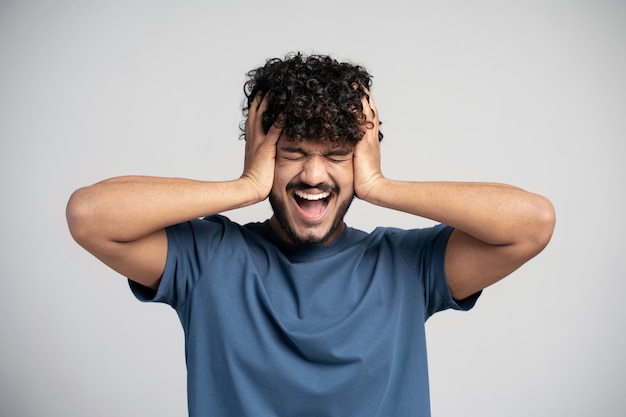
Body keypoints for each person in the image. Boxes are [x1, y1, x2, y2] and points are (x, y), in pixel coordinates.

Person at [66, 53, 555, 417]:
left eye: (337, 155)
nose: (314, 175)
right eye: (293, 152)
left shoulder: (407, 266)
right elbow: (90, 215)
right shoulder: (207, 258)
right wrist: (244, 188)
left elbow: (532, 223)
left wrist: (381, 187)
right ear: (261, 154)